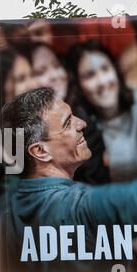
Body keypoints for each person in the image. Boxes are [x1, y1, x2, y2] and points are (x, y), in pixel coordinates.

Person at [0, 87, 137, 272]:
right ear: (41, 151)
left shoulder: (3, 213)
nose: (82, 123)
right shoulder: (80, 208)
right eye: (67, 123)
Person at [68, 39, 137, 182]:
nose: (102, 81)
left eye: (105, 68)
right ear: (79, 87)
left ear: (115, 70)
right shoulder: (83, 134)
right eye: (90, 75)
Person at [31, 43, 110, 184]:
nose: (55, 75)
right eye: (41, 72)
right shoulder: (13, 131)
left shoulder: (86, 124)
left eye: (56, 66)